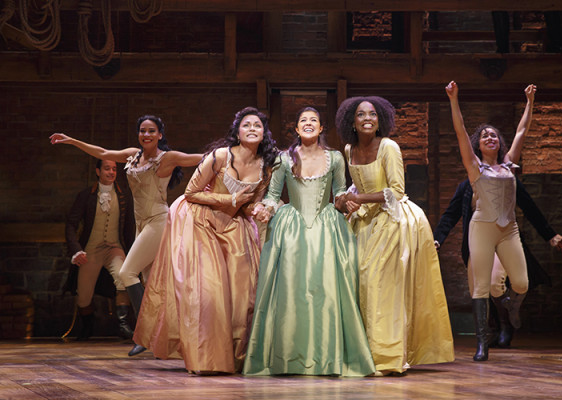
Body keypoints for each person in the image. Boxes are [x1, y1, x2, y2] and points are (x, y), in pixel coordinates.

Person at [133, 107, 279, 375]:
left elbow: (250, 203)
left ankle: (236, 358)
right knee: (209, 294)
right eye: (246, 125)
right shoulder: (220, 156)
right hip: (202, 221)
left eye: (257, 125)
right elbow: (191, 193)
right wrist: (229, 200)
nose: (252, 129)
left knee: (244, 295)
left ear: (264, 133)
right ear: (237, 132)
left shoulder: (265, 166)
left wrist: (259, 209)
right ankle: (207, 358)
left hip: (235, 226)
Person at [50, 115, 204, 356]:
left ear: (160, 135)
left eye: (152, 131)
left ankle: (145, 332)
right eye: (142, 130)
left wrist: (232, 153)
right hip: (141, 224)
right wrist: (72, 141)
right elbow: (102, 151)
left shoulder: (167, 158)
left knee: (126, 272)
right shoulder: (133, 155)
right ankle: (175, 336)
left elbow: (201, 159)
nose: (146, 135)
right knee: (153, 282)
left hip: (158, 221)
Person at [243, 107, 375, 377]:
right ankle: (289, 356)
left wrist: (344, 202)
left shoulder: (335, 158)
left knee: (325, 291)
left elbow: (339, 191)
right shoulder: (282, 159)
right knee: (292, 292)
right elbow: (273, 194)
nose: (308, 123)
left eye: (313, 120)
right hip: (291, 229)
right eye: (303, 120)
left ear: (321, 128)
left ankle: (327, 356)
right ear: (296, 128)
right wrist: (266, 209)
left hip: (326, 227)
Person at [335, 97, 454, 376]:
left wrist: (358, 197)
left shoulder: (389, 146)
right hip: (364, 222)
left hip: (391, 220)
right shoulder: (349, 148)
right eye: (361, 114)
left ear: (380, 120)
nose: (367, 118)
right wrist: (344, 201)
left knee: (379, 286)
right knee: (359, 284)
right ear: (351, 121)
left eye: (373, 114)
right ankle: (361, 353)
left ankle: (385, 356)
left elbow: (396, 191)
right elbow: (354, 185)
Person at [445, 80, 536, 361]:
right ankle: (482, 344)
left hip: (509, 229)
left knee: (521, 283)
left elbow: (522, 130)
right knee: (481, 286)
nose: (489, 138)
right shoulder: (474, 166)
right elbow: (460, 130)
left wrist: (530, 102)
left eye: (494, 135)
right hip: (482, 227)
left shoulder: (509, 162)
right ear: (479, 143)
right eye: (484, 136)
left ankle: (510, 304)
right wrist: (453, 99)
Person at [433, 178, 562, 347]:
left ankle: (506, 324)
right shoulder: (467, 186)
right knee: (480, 287)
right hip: (478, 241)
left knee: (495, 282)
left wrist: (550, 236)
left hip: (504, 239)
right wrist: (437, 239)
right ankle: (495, 327)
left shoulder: (509, 181)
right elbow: (450, 215)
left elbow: (530, 208)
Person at [64, 159, 136, 340]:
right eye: (106, 169)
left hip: (114, 248)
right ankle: (87, 327)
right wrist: (76, 250)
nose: (111, 172)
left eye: (114, 169)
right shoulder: (85, 196)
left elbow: (129, 228)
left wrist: (132, 253)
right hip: (91, 250)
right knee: (83, 294)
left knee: (123, 278)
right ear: (98, 171)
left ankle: (123, 324)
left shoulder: (124, 196)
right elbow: (71, 225)